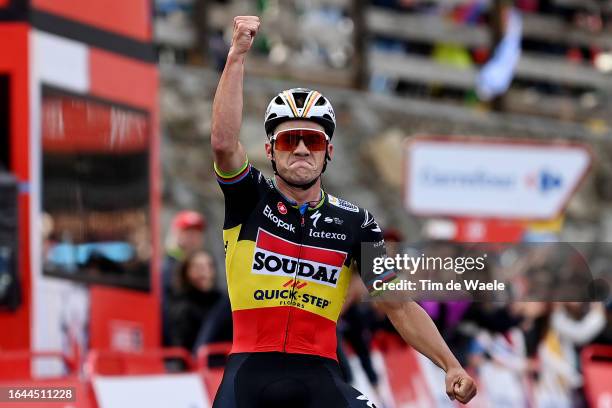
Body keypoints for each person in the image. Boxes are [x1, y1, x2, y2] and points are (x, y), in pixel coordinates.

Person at [210, 15, 476, 407]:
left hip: (319, 376)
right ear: (269, 150)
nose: (301, 149)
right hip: (248, 376)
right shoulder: (250, 197)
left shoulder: (356, 222)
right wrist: (236, 58)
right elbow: (223, 142)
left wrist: (451, 365)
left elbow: (397, 305)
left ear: (328, 152)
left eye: (313, 140)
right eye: (288, 140)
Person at [161, 210, 206, 345]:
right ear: (177, 234)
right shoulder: (168, 267)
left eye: (197, 233)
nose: (193, 238)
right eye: (188, 232)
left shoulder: (200, 263)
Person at [166, 250, 223, 352]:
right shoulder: (181, 307)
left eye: (209, 266)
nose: (205, 272)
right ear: (187, 272)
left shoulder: (221, 301)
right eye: (199, 267)